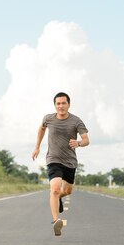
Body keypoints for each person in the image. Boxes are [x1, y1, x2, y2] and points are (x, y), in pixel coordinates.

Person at [31, 92, 89, 236]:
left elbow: (86, 140)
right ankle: (56, 221)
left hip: (70, 161)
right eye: (58, 103)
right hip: (53, 159)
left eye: (64, 103)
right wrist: (37, 146)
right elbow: (42, 128)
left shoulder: (76, 121)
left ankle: (58, 199)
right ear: (55, 105)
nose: (61, 106)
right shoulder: (48, 118)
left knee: (67, 191)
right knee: (55, 189)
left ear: (68, 104)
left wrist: (79, 143)